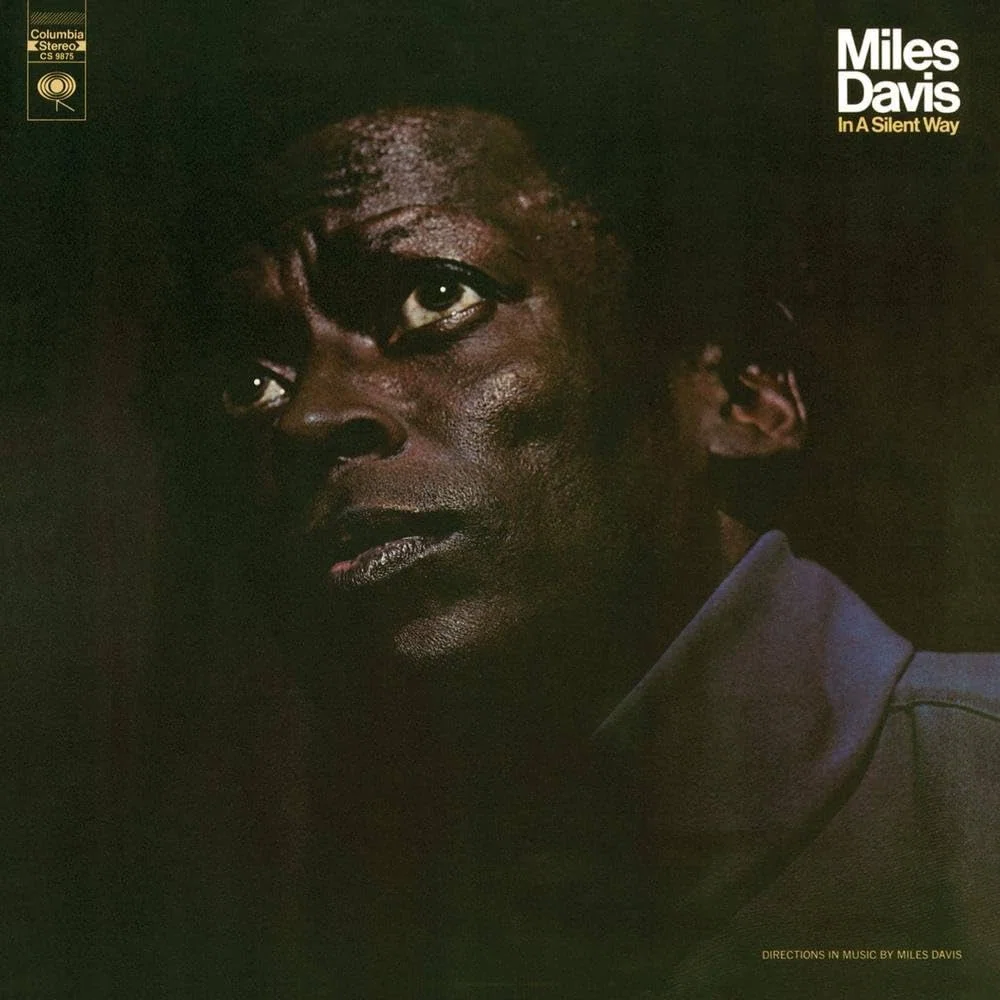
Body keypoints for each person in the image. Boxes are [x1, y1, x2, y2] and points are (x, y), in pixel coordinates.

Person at [134, 98, 1000, 999]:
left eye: (437, 296)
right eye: (253, 383)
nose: (308, 417)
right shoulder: (332, 920)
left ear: (740, 395)